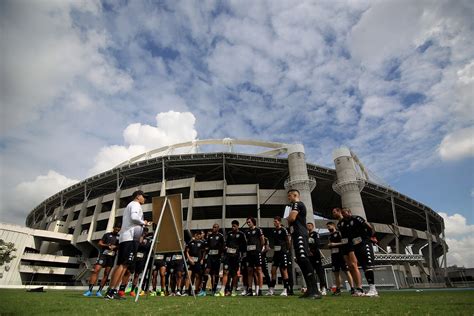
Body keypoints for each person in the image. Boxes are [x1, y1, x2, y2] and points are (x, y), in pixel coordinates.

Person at [105, 190, 150, 300]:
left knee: (124, 265)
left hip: (130, 238)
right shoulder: (135, 204)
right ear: (138, 196)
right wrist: (144, 222)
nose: (145, 199)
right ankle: (110, 291)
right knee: (122, 265)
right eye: (143, 197)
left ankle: (113, 290)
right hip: (129, 238)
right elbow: (134, 218)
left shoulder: (133, 205)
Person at [285, 189, 322, 299]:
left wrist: (289, 218)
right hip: (297, 234)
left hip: (300, 234)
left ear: (295, 195)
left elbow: (291, 218)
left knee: (304, 259)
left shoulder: (297, 204)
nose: (288, 198)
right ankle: (310, 289)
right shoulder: (295, 205)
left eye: (289, 196)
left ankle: (315, 290)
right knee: (301, 260)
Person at [341, 208, 379, 297]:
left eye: (344, 213)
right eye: (342, 213)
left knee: (367, 266)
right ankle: (364, 290)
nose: (343, 214)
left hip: (364, 243)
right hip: (356, 246)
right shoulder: (344, 223)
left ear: (349, 212)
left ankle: (373, 289)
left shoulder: (356, 218)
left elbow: (369, 227)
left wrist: (371, 236)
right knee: (363, 266)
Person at [83, 223, 120, 297]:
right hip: (103, 255)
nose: (117, 230)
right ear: (113, 227)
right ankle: (89, 290)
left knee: (106, 273)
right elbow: (100, 243)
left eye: (119, 229)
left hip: (111, 257)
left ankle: (99, 291)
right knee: (96, 270)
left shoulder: (120, 237)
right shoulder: (107, 235)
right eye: (116, 228)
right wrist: (107, 245)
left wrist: (115, 247)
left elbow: (120, 246)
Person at [332, 207, 363, 296]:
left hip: (351, 245)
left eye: (334, 212)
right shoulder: (339, 224)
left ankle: (360, 287)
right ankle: (356, 288)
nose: (333, 214)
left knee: (354, 265)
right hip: (344, 246)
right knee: (350, 267)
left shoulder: (349, 220)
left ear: (339, 212)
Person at [326, 221, 354, 296]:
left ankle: (352, 288)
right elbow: (330, 245)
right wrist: (330, 245)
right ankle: (338, 289)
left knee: (346, 271)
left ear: (333, 225)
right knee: (336, 273)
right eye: (327, 227)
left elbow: (344, 242)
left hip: (341, 254)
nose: (328, 228)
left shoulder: (339, 233)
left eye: (329, 226)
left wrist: (335, 244)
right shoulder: (329, 236)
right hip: (334, 255)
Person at [220, 220, 246, 296]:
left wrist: (238, 251)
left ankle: (233, 290)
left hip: (236, 257)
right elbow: (225, 244)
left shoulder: (241, 234)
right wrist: (226, 248)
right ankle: (223, 290)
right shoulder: (229, 234)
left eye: (234, 226)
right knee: (225, 272)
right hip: (228, 257)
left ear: (238, 226)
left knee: (234, 274)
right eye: (232, 226)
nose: (233, 227)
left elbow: (244, 246)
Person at [267, 216, 291, 296]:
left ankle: (285, 290)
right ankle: (272, 290)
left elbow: (288, 240)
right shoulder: (273, 231)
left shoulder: (283, 230)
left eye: (276, 221)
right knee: (273, 270)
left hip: (283, 252)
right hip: (276, 253)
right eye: (274, 221)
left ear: (280, 222)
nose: (274, 223)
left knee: (284, 271)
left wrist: (287, 250)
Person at [202, 223, 225, 296]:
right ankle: (203, 290)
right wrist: (204, 255)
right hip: (210, 256)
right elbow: (206, 246)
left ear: (218, 228)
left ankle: (214, 289)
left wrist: (221, 253)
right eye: (213, 227)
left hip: (217, 257)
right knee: (207, 271)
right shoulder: (210, 236)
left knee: (215, 274)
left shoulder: (221, 236)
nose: (214, 228)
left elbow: (223, 246)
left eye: (215, 227)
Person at [129, 228, 152, 297]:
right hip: (134, 258)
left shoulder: (148, 240)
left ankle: (132, 290)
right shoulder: (136, 238)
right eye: (143, 232)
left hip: (142, 259)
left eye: (146, 232)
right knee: (128, 272)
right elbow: (135, 246)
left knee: (137, 275)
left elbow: (147, 247)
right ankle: (121, 288)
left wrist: (143, 243)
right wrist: (140, 240)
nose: (144, 233)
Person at [244, 216, 264, 296]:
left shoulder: (258, 230)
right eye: (247, 222)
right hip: (249, 253)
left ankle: (260, 289)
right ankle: (250, 289)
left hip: (256, 253)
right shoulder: (246, 232)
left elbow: (262, 240)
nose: (248, 223)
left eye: (249, 222)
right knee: (249, 271)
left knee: (259, 270)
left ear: (253, 222)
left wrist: (259, 249)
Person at [307, 222, 327, 295]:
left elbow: (317, 244)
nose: (308, 227)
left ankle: (323, 287)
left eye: (309, 225)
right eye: (307, 226)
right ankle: (314, 288)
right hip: (309, 256)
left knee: (319, 272)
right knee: (311, 272)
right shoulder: (306, 235)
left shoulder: (315, 234)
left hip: (316, 255)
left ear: (312, 226)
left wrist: (313, 251)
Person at [185, 231, 206, 296]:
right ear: (195, 235)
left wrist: (202, 259)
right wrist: (189, 259)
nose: (199, 236)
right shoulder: (190, 243)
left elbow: (204, 252)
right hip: (190, 261)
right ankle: (187, 291)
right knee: (188, 275)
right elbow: (187, 252)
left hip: (198, 262)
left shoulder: (202, 243)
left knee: (197, 276)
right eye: (198, 235)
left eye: (200, 235)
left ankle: (196, 290)